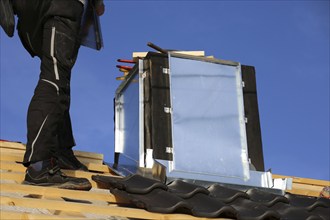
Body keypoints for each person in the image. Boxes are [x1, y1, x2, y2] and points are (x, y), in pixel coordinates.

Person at [11, 0, 105, 191]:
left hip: (32, 12)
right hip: (59, 6)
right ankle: (39, 167)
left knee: (59, 78)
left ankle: (60, 150)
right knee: (53, 80)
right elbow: (100, 9)